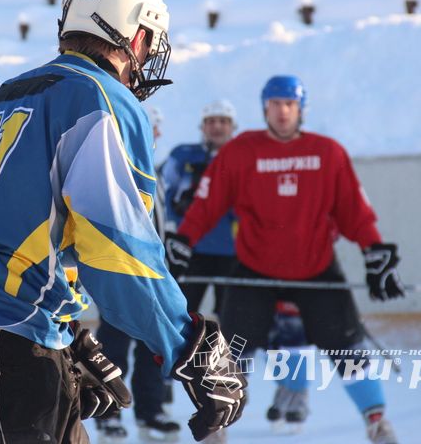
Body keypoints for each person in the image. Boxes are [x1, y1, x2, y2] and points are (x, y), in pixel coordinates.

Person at [0, 0, 247, 444]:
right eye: (148, 38)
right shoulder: (98, 98)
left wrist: (63, 330)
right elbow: (118, 251)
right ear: (134, 35)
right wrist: (188, 346)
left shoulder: (11, 93)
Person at [168, 75, 404, 444]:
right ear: (264, 109)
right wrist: (184, 240)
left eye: (289, 104)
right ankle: (216, 426)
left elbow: (354, 211)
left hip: (317, 270)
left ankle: (376, 420)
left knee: (348, 348)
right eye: (275, 104)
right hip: (255, 272)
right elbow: (206, 205)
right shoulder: (240, 151)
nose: (282, 111)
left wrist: (373, 249)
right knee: (230, 353)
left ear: (301, 109)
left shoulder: (329, 153)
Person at [94, 104, 180, 443]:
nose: (152, 136)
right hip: (121, 274)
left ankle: (151, 410)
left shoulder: (154, 173)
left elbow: (161, 224)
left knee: (153, 345)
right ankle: (107, 411)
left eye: (155, 129)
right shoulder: (118, 172)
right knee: (114, 344)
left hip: (154, 278)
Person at [161, 99, 238, 317]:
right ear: (202, 126)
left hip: (233, 250)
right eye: (211, 121)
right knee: (183, 313)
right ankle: (185, 352)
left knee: (233, 316)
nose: (217, 127)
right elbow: (164, 192)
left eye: (223, 121)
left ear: (233, 127)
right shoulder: (182, 155)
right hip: (190, 248)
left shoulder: (244, 159)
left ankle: (235, 353)